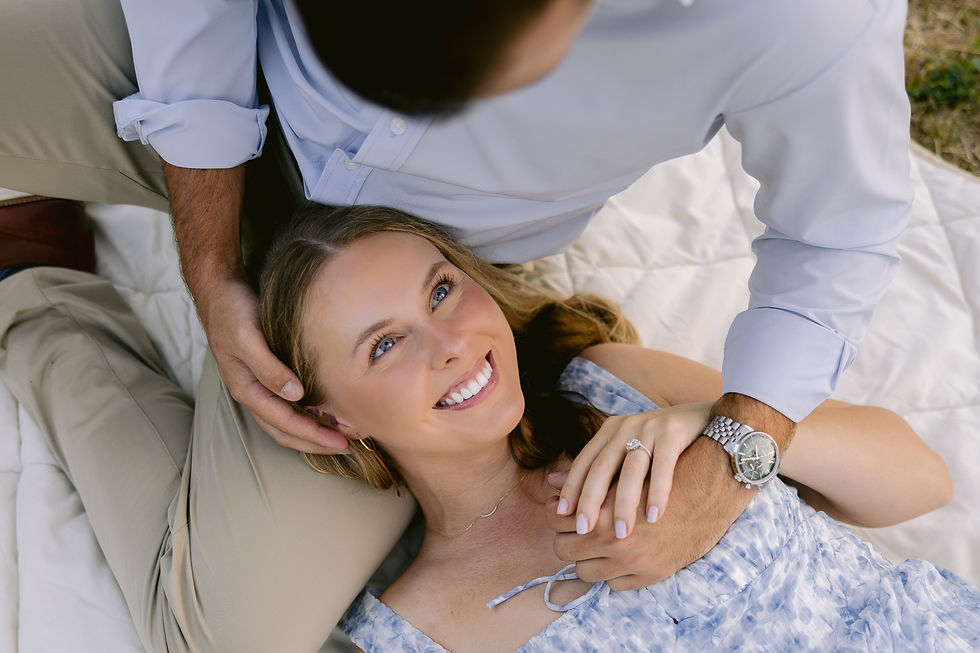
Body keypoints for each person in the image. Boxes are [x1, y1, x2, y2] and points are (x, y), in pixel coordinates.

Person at [0, 0, 913, 602]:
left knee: (228, 621)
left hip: (432, 241)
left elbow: (839, 233)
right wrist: (207, 261)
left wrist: (729, 462)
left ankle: (31, 278)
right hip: (223, 65)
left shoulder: (803, 17)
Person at [1, 202, 975, 652]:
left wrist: (716, 432)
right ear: (326, 410)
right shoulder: (401, 631)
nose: (452, 346)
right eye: (385, 345)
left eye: (440, 291)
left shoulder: (618, 391)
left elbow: (918, 479)